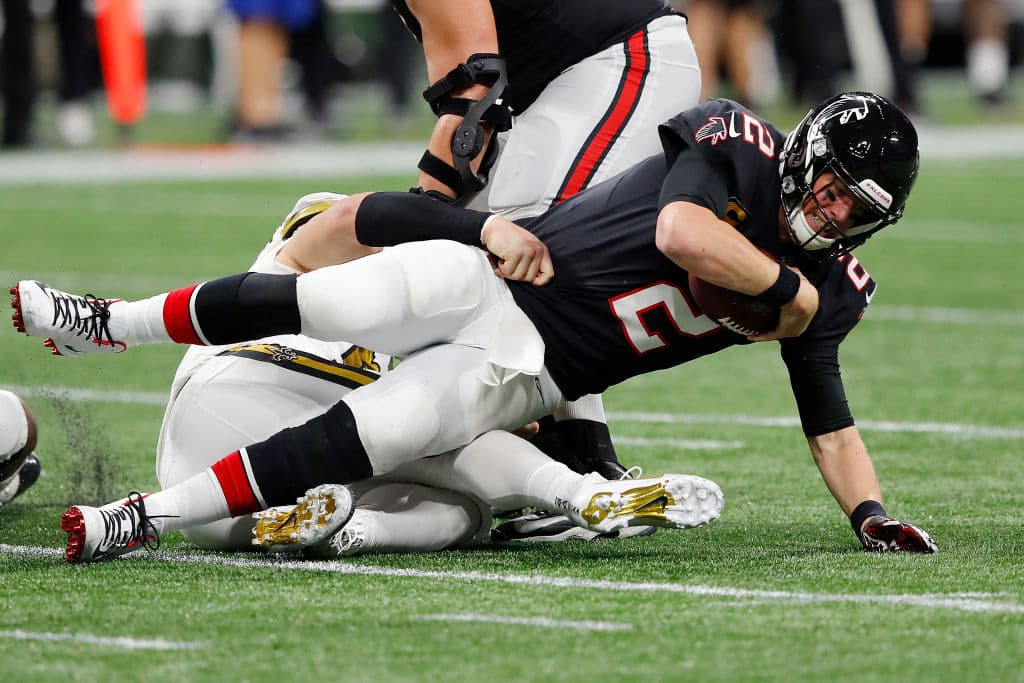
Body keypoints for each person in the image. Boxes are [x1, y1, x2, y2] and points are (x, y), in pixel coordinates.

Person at [13, 91, 938, 560]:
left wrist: (871, 513)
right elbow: (680, 231)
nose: (831, 213)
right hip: (497, 278)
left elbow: (830, 417)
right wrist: (791, 289)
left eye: (853, 209)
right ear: (803, 155)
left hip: (527, 368)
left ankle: (131, 516)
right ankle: (108, 319)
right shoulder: (736, 145)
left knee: (370, 432)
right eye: (827, 188)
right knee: (332, 300)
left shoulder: (836, 287)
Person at [152, 192, 720, 555]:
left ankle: (349, 531)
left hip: (208, 494)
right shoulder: (302, 272)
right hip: (261, 401)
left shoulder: (376, 305)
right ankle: (580, 491)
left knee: (463, 513)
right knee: (448, 451)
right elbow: (347, 219)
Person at [0, 389, 42, 507]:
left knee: (31, 467)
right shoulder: (8, 405)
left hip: (10, 462)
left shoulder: (28, 435)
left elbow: (3, 478)